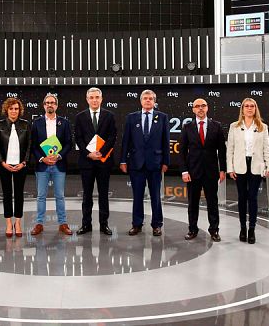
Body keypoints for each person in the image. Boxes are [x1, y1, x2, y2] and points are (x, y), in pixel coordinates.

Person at [120, 89, 170, 237]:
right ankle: (137, 224)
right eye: (145, 98)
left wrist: (166, 162)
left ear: (154, 101)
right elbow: (126, 141)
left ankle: (157, 225)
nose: (148, 100)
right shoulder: (131, 118)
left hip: (155, 163)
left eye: (150, 98)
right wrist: (123, 160)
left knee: (155, 196)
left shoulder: (163, 117)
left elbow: (166, 141)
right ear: (141, 101)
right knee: (137, 196)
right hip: (136, 164)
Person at [179, 98, 227, 241]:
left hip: (211, 172)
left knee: (212, 202)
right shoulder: (187, 127)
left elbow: (222, 150)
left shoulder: (216, 126)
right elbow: (182, 151)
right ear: (193, 109)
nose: (200, 108)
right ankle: (192, 229)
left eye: (203, 106)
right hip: (193, 172)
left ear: (207, 108)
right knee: (192, 203)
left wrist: (223, 169)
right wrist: (184, 171)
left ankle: (214, 230)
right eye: (197, 106)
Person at [226, 97, 269, 245]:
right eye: (246, 106)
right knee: (241, 197)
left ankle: (252, 229)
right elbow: (230, 149)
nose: (249, 108)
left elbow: (266, 149)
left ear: (255, 108)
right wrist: (230, 168)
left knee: (252, 197)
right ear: (242, 109)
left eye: (252, 106)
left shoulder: (262, 127)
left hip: (256, 166)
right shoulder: (234, 126)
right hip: (239, 166)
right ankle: (242, 228)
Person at [73, 87, 117, 236]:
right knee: (87, 195)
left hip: (104, 162)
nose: (94, 100)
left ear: (101, 99)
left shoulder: (109, 116)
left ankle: (104, 225)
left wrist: (101, 153)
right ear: (87, 99)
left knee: (104, 194)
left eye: (97, 97)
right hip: (87, 162)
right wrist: (89, 154)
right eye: (91, 97)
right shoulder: (80, 117)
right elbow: (78, 138)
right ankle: (86, 224)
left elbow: (112, 137)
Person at [30, 94, 73, 236]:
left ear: (56, 105)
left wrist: (58, 156)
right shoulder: (36, 123)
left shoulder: (64, 122)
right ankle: (39, 224)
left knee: (60, 195)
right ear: (44, 105)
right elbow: (33, 145)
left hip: (59, 164)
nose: (50, 105)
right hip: (42, 165)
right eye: (47, 102)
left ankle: (63, 223)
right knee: (41, 196)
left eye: (52, 102)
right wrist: (42, 158)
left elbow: (68, 143)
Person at [0, 97, 31, 238]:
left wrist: (24, 162)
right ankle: (8, 223)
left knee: (19, 194)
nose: (14, 111)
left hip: (21, 165)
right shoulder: (0, 125)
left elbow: (29, 145)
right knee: (7, 194)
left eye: (16, 109)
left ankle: (18, 223)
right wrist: (2, 163)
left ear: (20, 110)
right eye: (11, 108)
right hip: (4, 166)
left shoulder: (26, 125)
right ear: (6, 110)